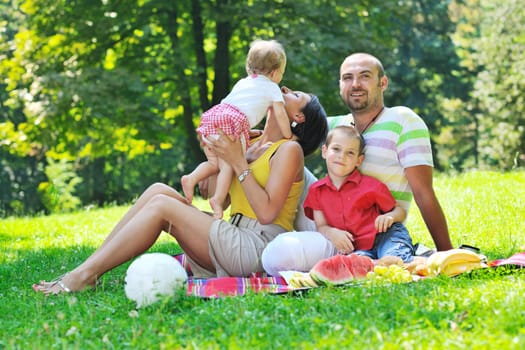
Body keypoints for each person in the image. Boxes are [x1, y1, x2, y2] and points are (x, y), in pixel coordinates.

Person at [32, 86, 328, 294]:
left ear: (298, 118)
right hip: (233, 234)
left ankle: (84, 276)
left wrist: (238, 163)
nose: (284, 89)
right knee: (157, 191)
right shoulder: (249, 141)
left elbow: (266, 213)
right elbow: (219, 199)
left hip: (257, 248)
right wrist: (216, 156)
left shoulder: (289, 151)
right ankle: (90, 267)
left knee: (164, 208)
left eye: (295, 95)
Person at [262, 52, 453, 276]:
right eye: (347, 78)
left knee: (280, 253)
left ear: (383, 83)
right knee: (290, 162)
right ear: (340, 85)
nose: (355, 84)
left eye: (364, 76)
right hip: (329, 227)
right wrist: (260, 132)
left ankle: (381, 259)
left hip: (372, 233)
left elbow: (423, 193)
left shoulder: (403, 120)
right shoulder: (337, 126)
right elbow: (295, 118)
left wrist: (447, 253)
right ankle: (257, 235)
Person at [182, 39, 292, 220]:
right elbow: (279, 114)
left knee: (214, 164)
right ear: (274, 73)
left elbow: (237, 105)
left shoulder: (243, 82)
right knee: (228, 166)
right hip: (232, 122)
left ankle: (191, 178)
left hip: (213, 118)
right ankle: (217, 200)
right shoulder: (272, 88)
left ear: (250, 68)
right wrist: (287, 135)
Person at [303, 125, 414, 262]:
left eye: (350, 153)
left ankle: (402, 258)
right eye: (336, 149)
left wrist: (390, 217)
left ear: (359, 160)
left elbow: (400, 211)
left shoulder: (371, 186)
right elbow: (321, 226)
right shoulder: (316, 190)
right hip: (357, 248)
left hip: (385, 236)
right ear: (324, 151)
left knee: (394, 258)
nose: (341, 156)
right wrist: (332, 233)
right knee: (357, 266)